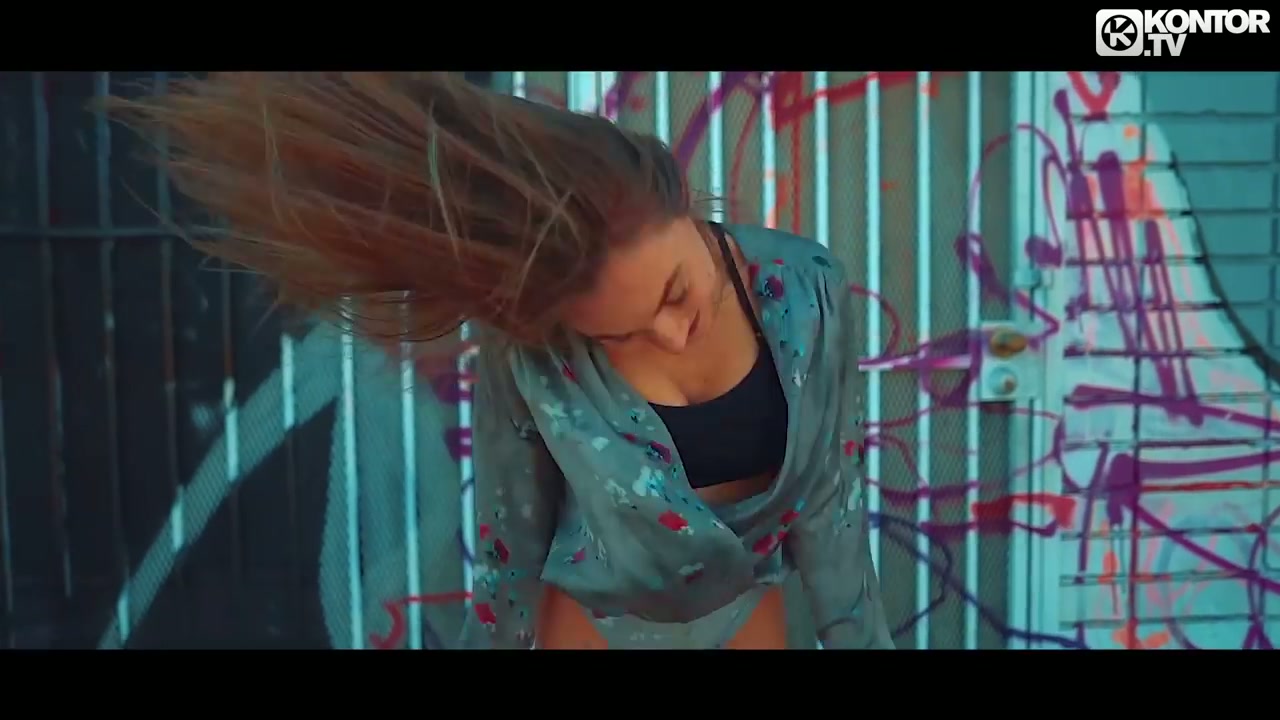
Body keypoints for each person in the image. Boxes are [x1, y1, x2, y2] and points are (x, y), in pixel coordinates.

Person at [111, 71, 893, 650]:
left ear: (679, 197)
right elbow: (508, 544)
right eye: (621, 335)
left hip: (747, 618)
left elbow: (829, 499)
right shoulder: (530, 355)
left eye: (676, 290)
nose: (673, 333)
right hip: (593, 627)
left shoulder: (808, 289)